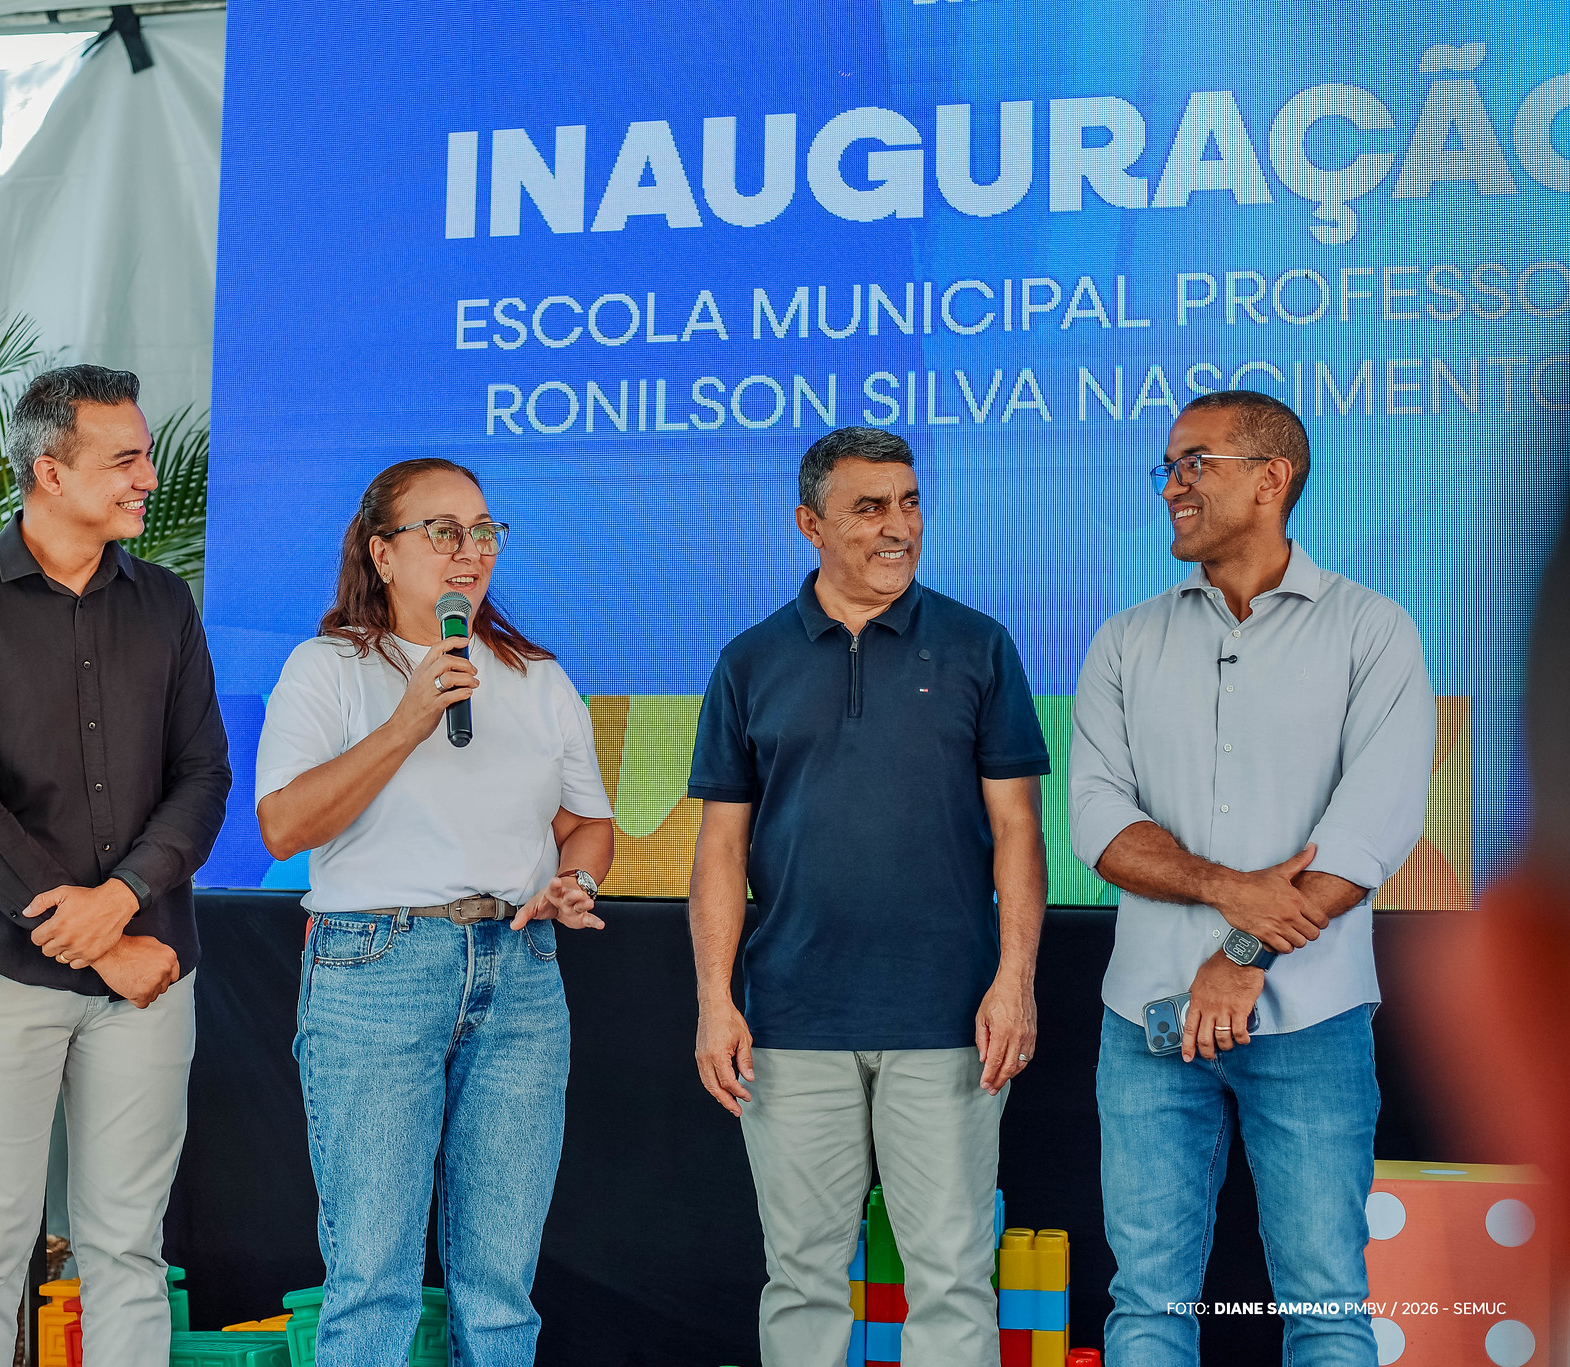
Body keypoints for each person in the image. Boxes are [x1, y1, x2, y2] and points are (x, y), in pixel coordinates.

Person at [1069, 390, 1436, 1367]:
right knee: (1145, 1305)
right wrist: (1231, 888)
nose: (1171, 485)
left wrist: (1239, 955)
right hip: (1144, 1021)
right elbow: (1098, 825)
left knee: (1326, 1306)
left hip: (1310, 1021)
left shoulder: (1371, 630)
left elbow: (1366, 833)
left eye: (1196, 462)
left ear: (1272, 478)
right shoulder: (1123, 639)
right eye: (1167, 466)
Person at [688, 426, 1050, 1367]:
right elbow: (720, 846)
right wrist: (716, 1000)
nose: (900, 526)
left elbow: (1019, 829)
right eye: (870, 507)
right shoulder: (747, 661)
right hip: (791, 1020)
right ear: (810, 524)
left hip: (951, 1018)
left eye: (910, 503)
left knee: (952, 1277)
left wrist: (1015, 981)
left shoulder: (979, 646)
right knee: (800, 1278)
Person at [0, 364, 231, 1365]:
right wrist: (93, 939)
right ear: (50, 470)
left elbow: (203, 774)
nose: (148, 477)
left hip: (151, 970)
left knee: (127, 1247)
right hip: (1, 970)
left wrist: (123, 901)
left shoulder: (165, 601)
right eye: (125, 458)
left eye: (146, 455)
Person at [255, 457, 615, 1366]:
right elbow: (283, 824)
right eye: (444, 531)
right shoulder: (329, 667)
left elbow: (587, 825)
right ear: (382, 552)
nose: (470, 550)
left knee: (500, 1290)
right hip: (378, 966)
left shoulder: (536, 676)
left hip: (521, 970)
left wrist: (577, 880)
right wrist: (408, 721)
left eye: (485, 532)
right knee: (372, 1278)